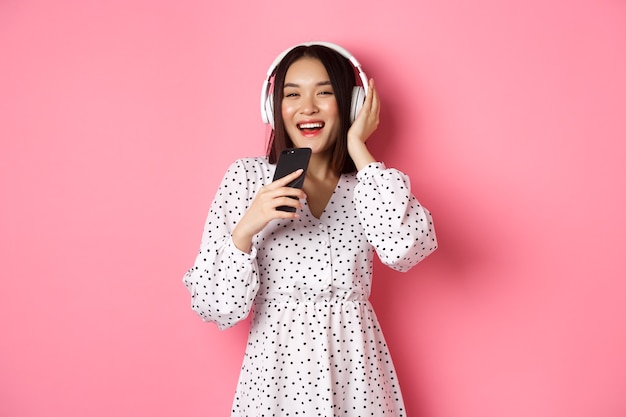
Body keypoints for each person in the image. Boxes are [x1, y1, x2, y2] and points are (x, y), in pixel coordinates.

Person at [183, 41, 437, 417]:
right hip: (275, 377)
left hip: (356, 373)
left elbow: (405, 250)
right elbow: (215, 306)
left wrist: (360, 150)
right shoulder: (247, 178)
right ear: (273, 108)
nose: (307, 107)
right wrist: (247, 227)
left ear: (351, 105)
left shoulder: (368, 187)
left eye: (324, 92)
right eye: (292, 94)